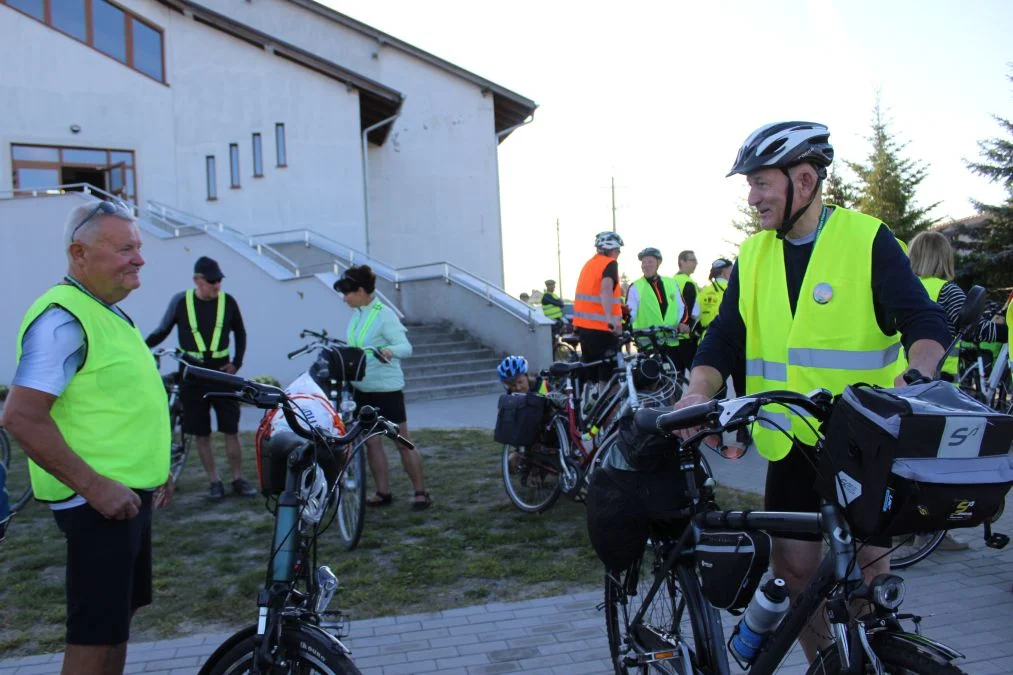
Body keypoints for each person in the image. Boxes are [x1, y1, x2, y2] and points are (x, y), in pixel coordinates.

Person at [676, 121, 950, 663]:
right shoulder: (752, 255)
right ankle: (826, 664)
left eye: (761, 184)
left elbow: (925, 321)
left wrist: (916, 378)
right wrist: (694, 394)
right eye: (749, 187)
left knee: (869, 574)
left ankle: (873, 657)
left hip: (862, 444)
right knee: (796, 575)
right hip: (789, 438)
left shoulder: (866, 239)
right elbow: (724, 339)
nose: (752, 198)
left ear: (804, 180)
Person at [4, 200, 173, 675]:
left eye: (139, 247)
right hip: (98, 503)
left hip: (126, 497)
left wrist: (155, 471)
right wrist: (95, 486)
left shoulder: (107, 312)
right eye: (125, 248)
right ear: (79, 252)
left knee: (116, 624)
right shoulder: (63, 317)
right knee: (94, 635)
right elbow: (20, 416)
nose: (139, 258)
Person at [146, 256, 255, 501]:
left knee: (231, 429)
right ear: (197, 280)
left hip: (221, 374)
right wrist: (141, 347)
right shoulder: (181, 302)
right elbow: (162, 331)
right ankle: (214, 481)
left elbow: (240, 332)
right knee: (201, 433)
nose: (217, 285)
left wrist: (236, 363)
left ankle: (238, 478)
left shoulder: (228, 302)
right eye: (212, 281)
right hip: (193, 376)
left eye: (219, 281)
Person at [335, 265, 431, 509]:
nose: (344, 298)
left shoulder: (384, 314)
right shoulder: (357, 315)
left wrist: (390, 351)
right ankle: (382, 492)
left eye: (348, 293)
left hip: (386, 390)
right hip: (362, 389)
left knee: (401, 441)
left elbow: (405, 347)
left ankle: (421, 492)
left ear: (361, 291)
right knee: (371, 442)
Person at [573, 232, 624, 383]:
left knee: (592, 375)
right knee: (609, 377)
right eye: (618, 250)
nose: (619, 253)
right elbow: (606, 289)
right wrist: (611, 320)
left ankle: (591, 403)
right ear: (612, 249)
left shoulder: (589, 264)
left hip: (585, 328)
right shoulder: (609, 263)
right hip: (602, 329)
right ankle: (608, 405)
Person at [625, 247, 686, 361]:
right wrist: (625, 324)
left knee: (674, 376)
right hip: (647, 343)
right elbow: (630, 313)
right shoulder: (635, 287)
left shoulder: (671, 283)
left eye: (650, 261)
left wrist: (682, 323)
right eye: (643, 262)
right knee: (650, 376)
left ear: (658, 263)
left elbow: (682, 308)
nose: (645, 265)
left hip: (670, 341)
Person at [672, 250, 701, 374]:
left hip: (671, 337)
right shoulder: (688, 282)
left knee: (675, 379)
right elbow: (692, 312)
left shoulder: (670, 281)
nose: (696, 263)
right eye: (693, 260)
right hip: (685, 337)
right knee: (698, 375)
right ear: (681, 262)